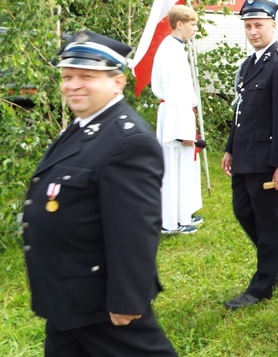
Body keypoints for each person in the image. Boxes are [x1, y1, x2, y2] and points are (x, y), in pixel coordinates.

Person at [21, 31, 178, 356]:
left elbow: (135, 228)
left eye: (86, 76)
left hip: (99, 301)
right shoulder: (84, 127)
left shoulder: (127, 141)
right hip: (67, 293)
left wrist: (127, 299)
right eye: (67, 76)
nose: (72, 84)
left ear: (117, 82)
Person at [221, 0, 278, 310]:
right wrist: (230, 149)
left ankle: (262, 285)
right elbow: (242, 112)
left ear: (273, 26)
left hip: (267, 160)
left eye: (259, 25)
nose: (253, 31)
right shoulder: (251, 63)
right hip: (244, 156)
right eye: (248, 26)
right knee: (243, 211)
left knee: (268, 223)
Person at [152, 4, 203, 234]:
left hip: (178, 115)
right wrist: (183, 132)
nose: (195, 28)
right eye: (192, 24)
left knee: (182, 168)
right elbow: (175, 94)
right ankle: (172, 222)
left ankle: (182, 214)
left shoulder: (175, 48)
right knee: (173, 170)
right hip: (175, 117)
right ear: (179, 24)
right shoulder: (170, 50)